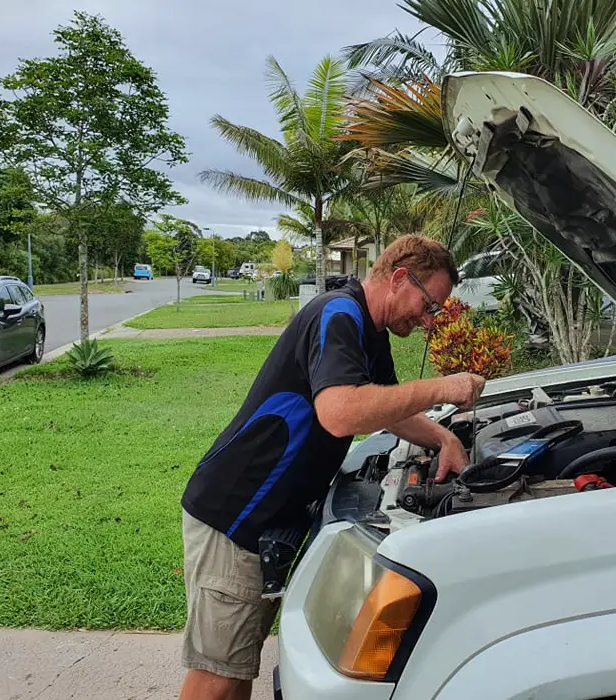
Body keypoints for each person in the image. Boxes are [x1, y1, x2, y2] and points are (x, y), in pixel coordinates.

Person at [177, 235, 486, 700]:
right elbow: (341, 411)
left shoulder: (369, 329)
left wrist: (442, 438)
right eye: (429, 306)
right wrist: (442, 387)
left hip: (267, 522)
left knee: (239, 662)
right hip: (236, 513)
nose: (427, 321)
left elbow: (387, 408)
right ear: (400, 277)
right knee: (217, 675)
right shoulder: (337, 314)